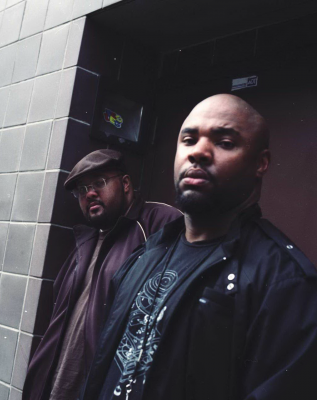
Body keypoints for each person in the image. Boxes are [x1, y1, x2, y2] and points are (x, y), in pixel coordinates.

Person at [81, 94, 317, 400]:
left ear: (261, 163)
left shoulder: (286, 284)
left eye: (225, 143)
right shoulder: (146, 255)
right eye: (189, 140)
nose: (199, 152)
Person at [23, 149, 182, 400]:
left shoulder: (159, 223)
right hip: (60, 387)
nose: (90, 194)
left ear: (126, 184)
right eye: (82, 190)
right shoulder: (84, 242)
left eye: (99, 182)